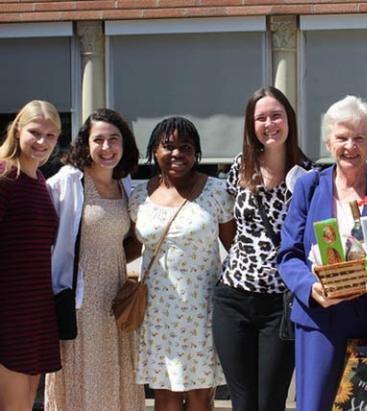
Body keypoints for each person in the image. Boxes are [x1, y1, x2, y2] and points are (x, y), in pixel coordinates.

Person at [277, 95, 367, 411]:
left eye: (359, 137)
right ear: (328, 142)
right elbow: (288, 254)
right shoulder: (309, 186)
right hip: (322, 321)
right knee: (317, 405)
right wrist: (310, 288)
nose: (350, 145)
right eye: (342, 137)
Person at [212, 86, 314, 411]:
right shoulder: (240, 166)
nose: (269, 124)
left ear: (289, 120)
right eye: (261, 118)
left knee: (271, 402)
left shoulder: (309, 175)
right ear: (251, 125)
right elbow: (229, 226)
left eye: (276, 115)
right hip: (233, 299)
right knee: (242, 402)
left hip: (280, 304)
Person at [129, 116, 235, 411]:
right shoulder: (139, 195)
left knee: (202, 395)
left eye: (186, 147)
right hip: (157, 312)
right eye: (168, 146)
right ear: (154, 151)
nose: (177, 153)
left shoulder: (217, 192)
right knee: (165, 395)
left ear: (196, 153)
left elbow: (234, 249)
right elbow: (129, 247)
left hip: (202, 309)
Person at [44, 108, 145, 411]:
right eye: (98, 139)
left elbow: (129, 241)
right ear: (85, 145)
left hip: (117, 296)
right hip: (80, 299)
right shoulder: (68, 182)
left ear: (124, 144)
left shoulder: (125, 184)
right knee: (83, 373)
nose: (106, 147)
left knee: (117, 374)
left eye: (114, 139)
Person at [0, 100, 61, 410]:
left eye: (50, 136)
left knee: (25, 402)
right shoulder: (3, 175)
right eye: (35, 132)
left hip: (36, 308)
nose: (42, 142)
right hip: (8, 309)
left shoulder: (39, 182)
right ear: (18, 130)